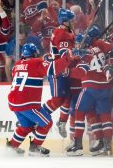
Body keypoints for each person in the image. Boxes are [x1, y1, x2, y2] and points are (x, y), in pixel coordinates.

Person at [6, 43, 74, 156]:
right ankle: (35, 147)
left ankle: (12, 147)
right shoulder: (36, 63)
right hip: (27, 103)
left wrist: (46, 59)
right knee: (47, 123)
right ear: (34, 53)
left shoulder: (17, 65)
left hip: (14, 103)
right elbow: (53, 69)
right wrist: (66, 58)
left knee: (26, 126)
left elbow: (30, 70)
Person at [42, 8, 75, 138]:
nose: (74, 21)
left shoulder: (68, 31)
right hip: (58, 70)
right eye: (71, 20)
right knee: (58, 99)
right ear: (65, 21)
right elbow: (64, 54)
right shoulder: (62, 34)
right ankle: (37, 116)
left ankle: (61, 122)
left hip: (65, 70)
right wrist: (75, 54)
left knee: (67, 98)